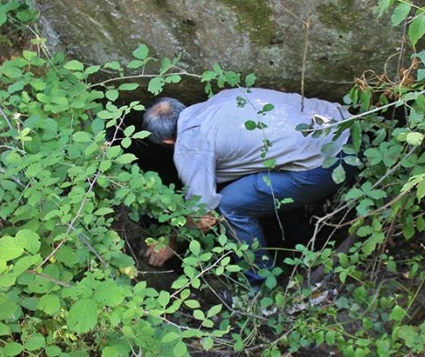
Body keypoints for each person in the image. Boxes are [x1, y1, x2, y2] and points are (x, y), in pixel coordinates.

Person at [141, 87, 352, 284]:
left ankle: (259, 281)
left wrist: (171, 241)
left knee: (230, 206)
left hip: (329, 163)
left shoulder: (190, 147)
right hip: (351, 128)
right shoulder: (223, 97)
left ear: (168, 142)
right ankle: (298, 240)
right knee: (265, 173)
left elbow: (203, 217)